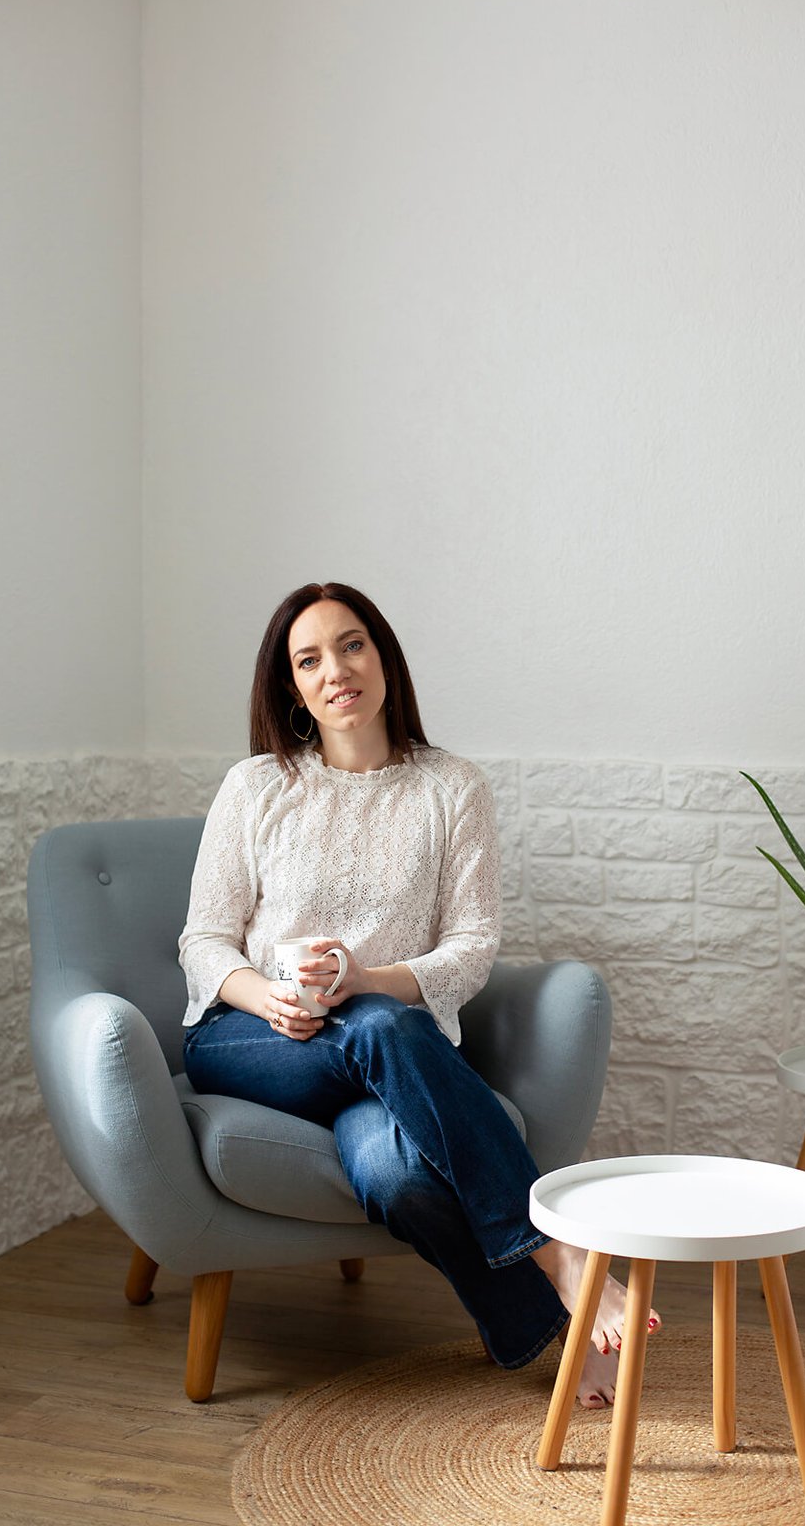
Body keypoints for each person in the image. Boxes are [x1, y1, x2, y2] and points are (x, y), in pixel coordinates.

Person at [179, 581, 658, 1407]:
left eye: (352, 644)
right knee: (383, 1029)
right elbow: (203, 940)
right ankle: (560, 1258)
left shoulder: (451, 788)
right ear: (290, 686)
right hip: (253, 1042)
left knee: (396, 1171)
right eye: (309, 658)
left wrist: (367, 981)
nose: (336, 670)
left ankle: (549, 1340)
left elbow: (472, 949)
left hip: (387, 1051)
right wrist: (265, 998)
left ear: (384, 656)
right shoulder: (256, 787)